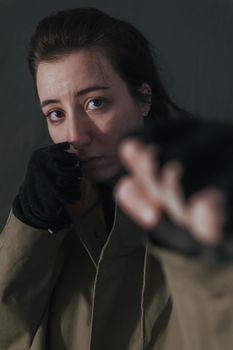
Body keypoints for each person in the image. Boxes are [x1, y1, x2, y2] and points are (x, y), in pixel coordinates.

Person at [0, 7, 233, 350]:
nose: (75, 135)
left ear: (143, 98)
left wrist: (196, 251)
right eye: (55, 113)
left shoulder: (206, 205)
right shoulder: (48, 223)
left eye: (95, 103)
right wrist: (30, 227)